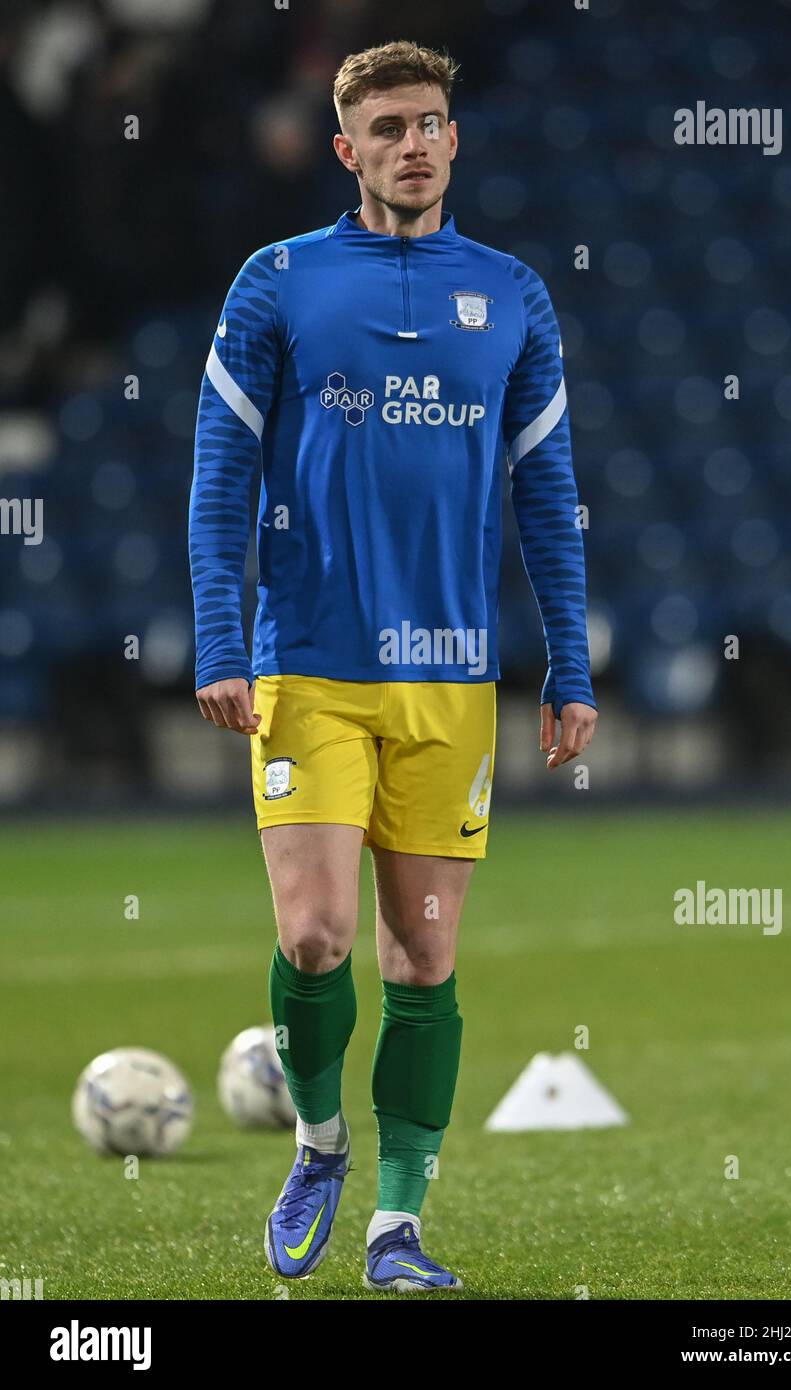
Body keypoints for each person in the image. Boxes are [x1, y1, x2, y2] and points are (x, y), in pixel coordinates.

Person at [189, 39, 597, 1294]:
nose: (411, 144)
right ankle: (318, 1144)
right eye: (385, 129)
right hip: (307, 664)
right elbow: (219, 478)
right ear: (345, 149)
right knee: (315, 939)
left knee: (420, 962)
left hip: (450, 681)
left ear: (454, 139)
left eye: (428, 123)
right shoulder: (279, 282)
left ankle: (396, 1229)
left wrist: (568, 664)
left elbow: (548, 494)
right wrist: (217, 635)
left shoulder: (513, 296)